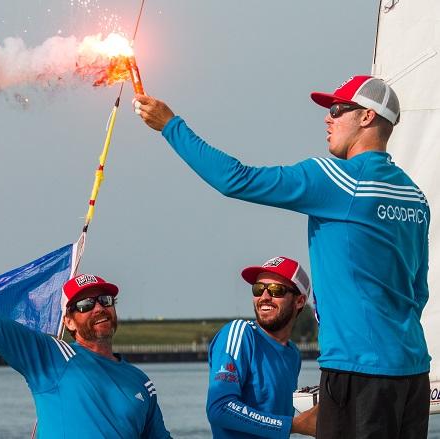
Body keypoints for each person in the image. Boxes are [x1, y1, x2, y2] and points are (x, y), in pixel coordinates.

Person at [134, 75, 431, 438]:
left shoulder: (337, 179)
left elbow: (236, 180)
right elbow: (418, 291)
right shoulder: (415, 196)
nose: (327, 118)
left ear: (367, 117)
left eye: (337, 110)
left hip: (359, 370)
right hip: (413, 372)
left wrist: (170, 125)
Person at [0, 247, 171, 438]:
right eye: (85, 304)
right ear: (69, 322)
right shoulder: (49, 357)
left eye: (105, 301)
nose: (99, 308)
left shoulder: (140, 382)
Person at [207, 255, 316, 438]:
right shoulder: (240, 333)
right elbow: (220, 407)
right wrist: (293, 425)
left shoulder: (293, 355)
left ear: (299, 301)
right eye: (258, 289)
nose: (264, 297)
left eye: (276, 290)